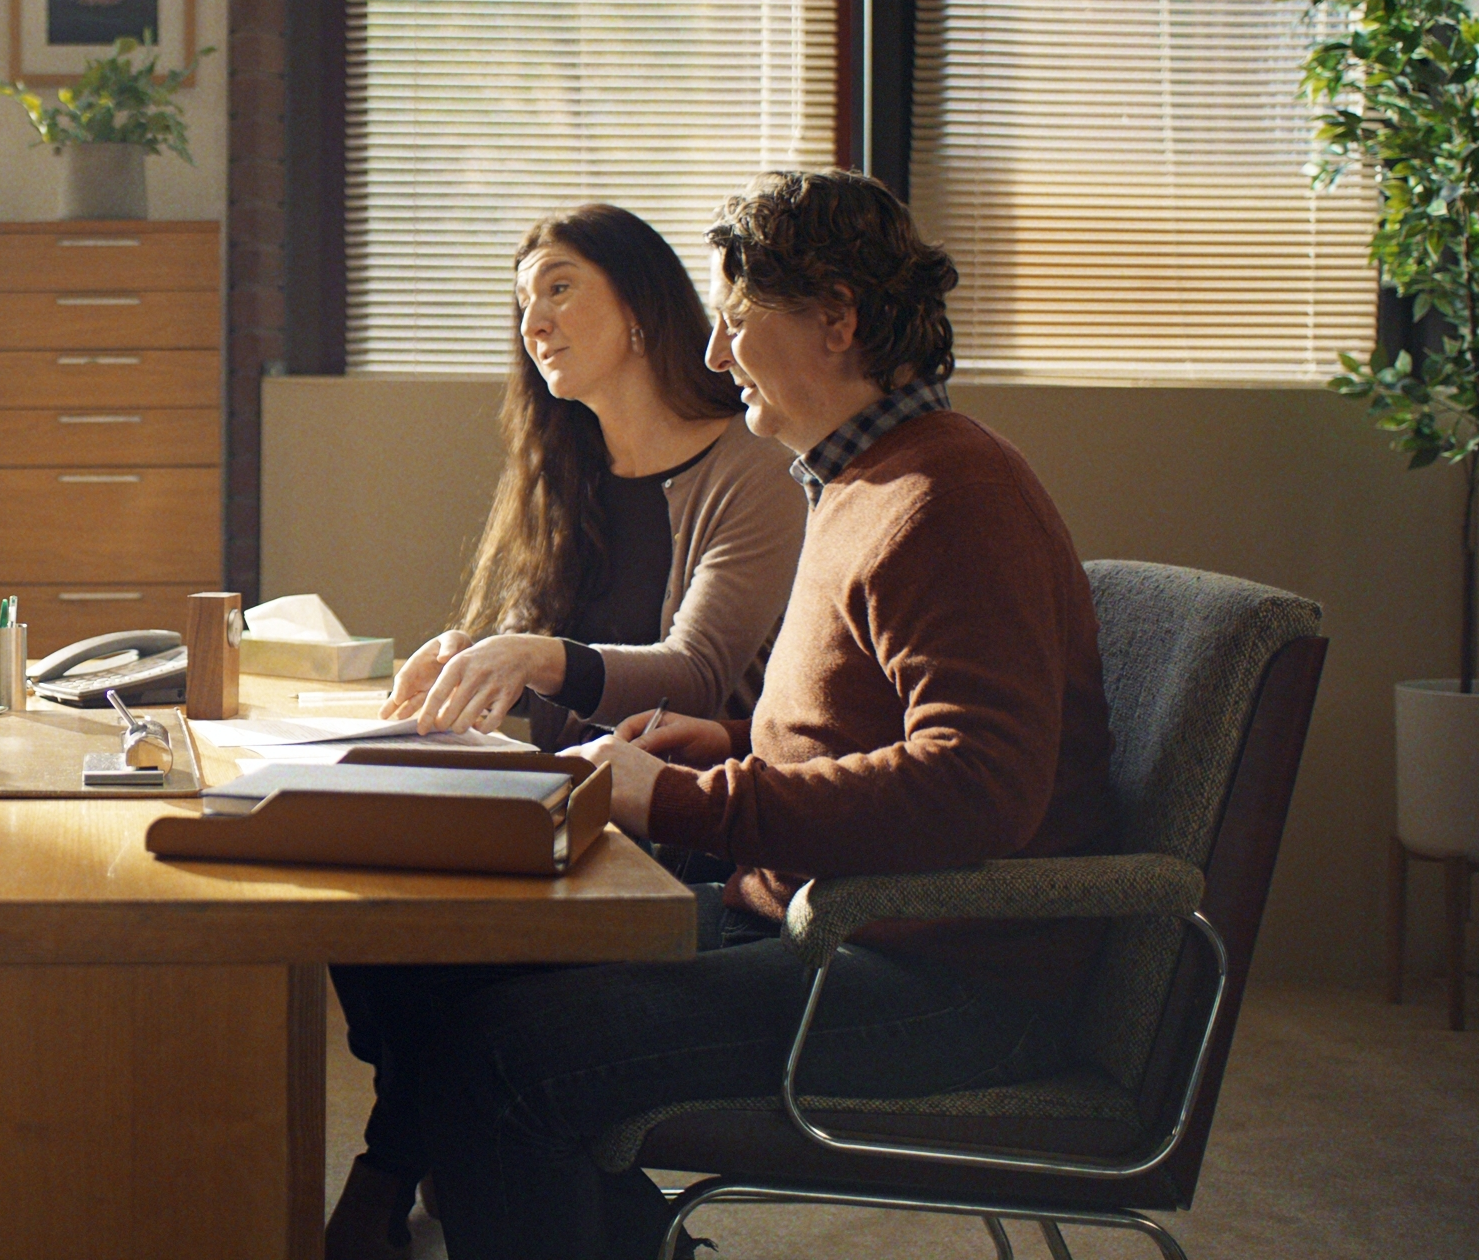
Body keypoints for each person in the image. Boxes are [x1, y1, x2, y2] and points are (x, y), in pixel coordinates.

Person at [407, 170, 1115, 1260]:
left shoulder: (952, 495)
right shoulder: (860, 482)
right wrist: (731, 744)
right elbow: (880, 733)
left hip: (943, 974)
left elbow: (981, 784)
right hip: (824, 917)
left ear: (836, 319)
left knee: (511, 1054)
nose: (712, 355)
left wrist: (694, 797)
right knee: (465, 975)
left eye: (737, 324)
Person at [329, 205, 807, 1259]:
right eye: (521, 300)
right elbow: (555, 710)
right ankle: (597, 1216)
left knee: (454, 978)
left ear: (640, 305)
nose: (532, 319)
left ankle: (395, 1170)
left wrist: (532, 652)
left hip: (683, 830)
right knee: (360, 906)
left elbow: (696, 672)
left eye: (558, 287)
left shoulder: (750, 469)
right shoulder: (561, 466)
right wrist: (476, 649)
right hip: (560, 807)